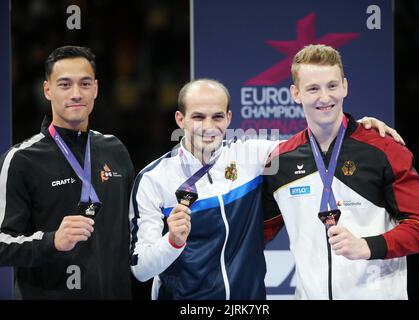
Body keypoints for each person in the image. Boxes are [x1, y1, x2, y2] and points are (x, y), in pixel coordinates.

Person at [129, 78, 403, 300]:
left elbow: (314, 144)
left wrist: (360, 128)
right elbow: (140, 269)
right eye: (198, 117)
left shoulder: (252, 156)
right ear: (180, 119)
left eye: (217, 117)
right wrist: (172, 241)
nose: (209, 127)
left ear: (229, 117)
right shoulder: (154, 180)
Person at [262, 44, 419, 300]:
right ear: (296, 94)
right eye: (313, 89)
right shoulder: (280, 160)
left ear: (345, 86)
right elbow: (254, 233)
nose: (324, 97)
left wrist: (366, 246)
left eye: (332, 86)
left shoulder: (385, 149)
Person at [0, 46, 134, 299]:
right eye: (64, 85)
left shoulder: (115, 150)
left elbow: (134, 228)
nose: (76, 94)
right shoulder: (21, 160)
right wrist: (52, 241)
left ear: (95, 88)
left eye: (84, 84)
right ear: (47, 90)